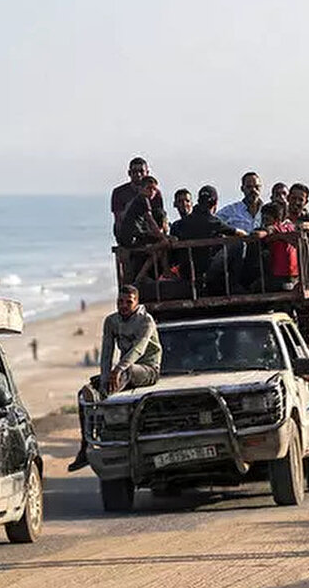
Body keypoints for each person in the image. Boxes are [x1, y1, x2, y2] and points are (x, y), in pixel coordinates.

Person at [69, 285, 162, 471]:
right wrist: (105, 377)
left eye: (129, 302)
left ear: (137, 302)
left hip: (147, 370)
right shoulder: (111, 321)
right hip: (122, 373)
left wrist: (118, 369)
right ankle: (85, 448)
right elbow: (106, 353)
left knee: (127, 371)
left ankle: (102, 398)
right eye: (120, 301)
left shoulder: (146, 321)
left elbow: (139, 349)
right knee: (84, 392)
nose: (124, 305)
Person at [170, 185, 246, 280]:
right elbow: (240, 234)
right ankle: (235, 282)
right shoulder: (212, 221)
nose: (184, 204)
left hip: (186, 272)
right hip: (206, 271)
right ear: (215, 203)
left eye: (187, 201)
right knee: (238, 244)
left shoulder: (179, 224)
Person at [111, 157, 165, 245]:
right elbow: (119, 219)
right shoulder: (119, 192)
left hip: (148, 228)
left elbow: (159, 216)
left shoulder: (155, 192)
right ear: (129, 173)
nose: (138, 174)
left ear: (147, 173)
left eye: (141, 171)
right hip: (131, 231)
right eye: (134, 172)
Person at [252, 202, 299, 290]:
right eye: (263, 219)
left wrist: (257, 234)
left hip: (278, 276)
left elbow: (263, 233)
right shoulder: (290, 227)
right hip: (294, 276)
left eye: (266, 219)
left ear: (277, 219)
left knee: (254, 287)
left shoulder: (274, 228)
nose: (264, 222)